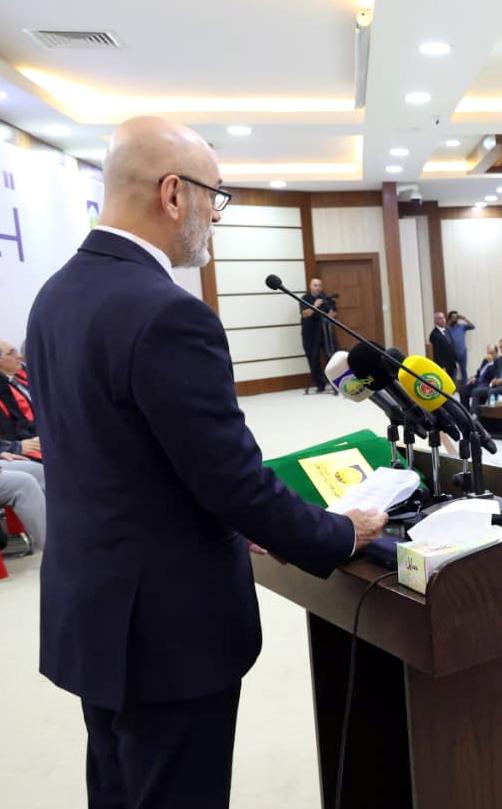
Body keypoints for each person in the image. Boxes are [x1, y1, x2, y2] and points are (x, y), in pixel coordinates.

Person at [25, 116, 389, 809]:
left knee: (118, 789)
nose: (216, 216)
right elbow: (234, 482)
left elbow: (120, 455)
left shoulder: (55, 296)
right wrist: (338, 532)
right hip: (168, 631)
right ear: (173, 194)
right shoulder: (167, 313)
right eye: (214, 196)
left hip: (93, 611)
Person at [299, 277, 337, 394]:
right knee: (313, 358)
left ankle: (335, 383)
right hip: (310, 333)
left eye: (320, 285)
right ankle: (320, 384)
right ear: (310, 286)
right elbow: (305, 314)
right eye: (315, 285)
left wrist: (331, 312)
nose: (318, 288)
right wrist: (315, 306)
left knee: (332, 357)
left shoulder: (326, 298)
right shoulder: (305, 299)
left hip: (325, 332)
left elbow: (333, 315)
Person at [445, 310, 476, 383]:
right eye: (453, 317)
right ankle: (453, 387)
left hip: (462, 352)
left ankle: (465, 386)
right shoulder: (448, 328)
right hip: (452, 353)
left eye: (456, 317)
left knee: (463, 370)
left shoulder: (462, 326)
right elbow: (444, 329)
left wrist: (464, 318)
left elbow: (472, 326)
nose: (455, 318)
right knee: (453, 371)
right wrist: (450, 321)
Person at [429, 311, 459, 379]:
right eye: (440, 318)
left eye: (443, 318)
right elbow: (436, 352)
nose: (443, 320)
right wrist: (442, 366)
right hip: (444, 366)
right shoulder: (434, 334)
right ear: (435, 321)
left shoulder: (447, 331)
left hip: (452, 364)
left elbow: (451, 345)